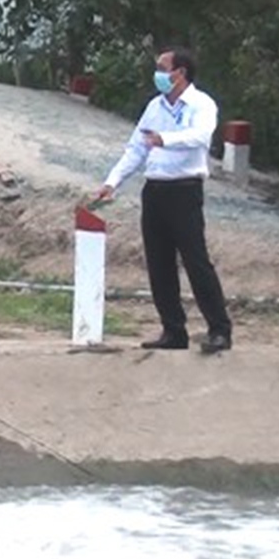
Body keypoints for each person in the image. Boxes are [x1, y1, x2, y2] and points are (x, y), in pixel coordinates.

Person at [91, 47, 233, 354]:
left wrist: (165, 140)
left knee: (196, 260)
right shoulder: (154, 107)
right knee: (159, 263)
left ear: (179, 73)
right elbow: (136, 149)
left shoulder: (200, 103)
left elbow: (200, 137)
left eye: (162, 67)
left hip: (185, 189)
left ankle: (219, 329)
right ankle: (173, 330)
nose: (157, 74)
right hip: (155, 190)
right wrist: (112, 181)